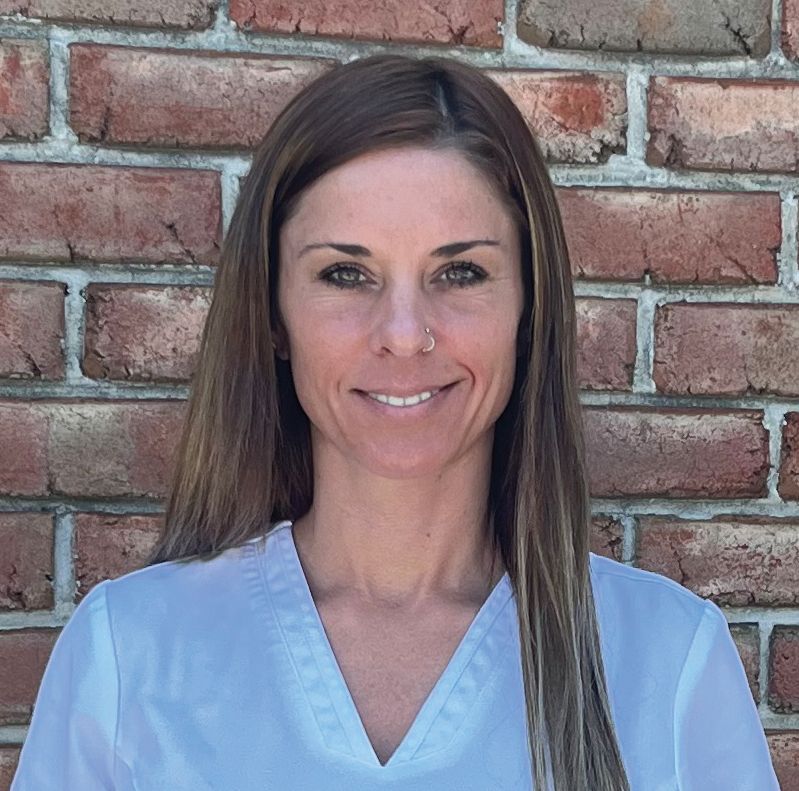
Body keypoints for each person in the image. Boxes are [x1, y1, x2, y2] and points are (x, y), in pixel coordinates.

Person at [10, 54, 779, 791]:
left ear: (527, 308)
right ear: (273, 313)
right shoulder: (130, 652)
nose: (405, 333)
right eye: (346, 274)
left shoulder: (667, 663)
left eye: (460, 272)